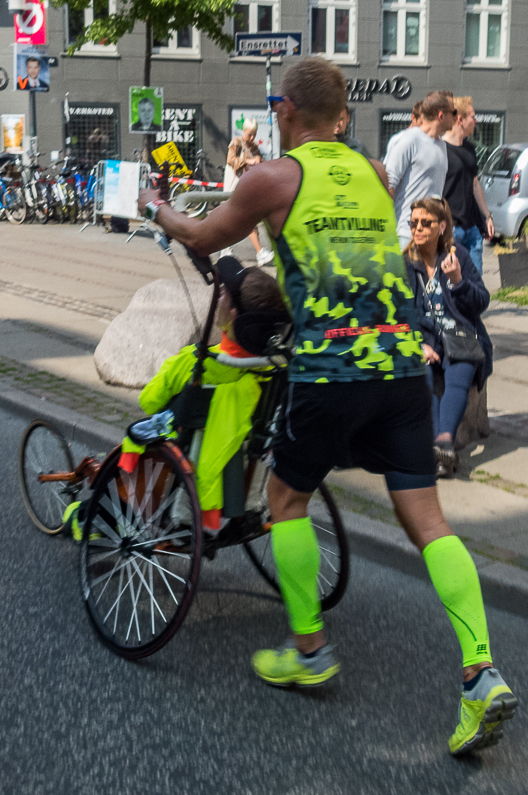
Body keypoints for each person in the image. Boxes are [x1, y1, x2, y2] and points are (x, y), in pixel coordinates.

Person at [137, 56, 517, 755]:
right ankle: (478, 671)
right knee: (427, 520)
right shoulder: (375, 173)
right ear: (340, 114)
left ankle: (308, 648)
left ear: (283, 111)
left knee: (284, 499)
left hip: (328, 371)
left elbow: (200, 236)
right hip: (401, 368)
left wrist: (153, 206)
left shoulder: (273, 178)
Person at [65, 259, 289, 540]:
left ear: (233, 314)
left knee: (143, 441)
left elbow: (150, 400)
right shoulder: (270, 370)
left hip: (179, 472)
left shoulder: (196, 363)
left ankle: (93, 517)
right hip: (241, 474)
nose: (217, 297)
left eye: (223, 295)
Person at [403, 197, 491, 478]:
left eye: (425, 223)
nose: (418, 229)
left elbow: (481, 302)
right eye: (413, 223)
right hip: (425, 340)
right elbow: (398, 312)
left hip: (460, 335)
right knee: (423, 382)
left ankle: (442, 444)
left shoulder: (459, 256)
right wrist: (418, 343)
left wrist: (457, 281)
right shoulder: (405, 264)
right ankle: (444, 450)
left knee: (458, 379)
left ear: (441, 226)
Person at [384, 91, 455, 247]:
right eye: (454, 112)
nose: (457, 117)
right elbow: (387, 183)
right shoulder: (409, 140)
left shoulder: (441, 145)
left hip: (433, 234)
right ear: (441, 115)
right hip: (407, 234)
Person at [443, 97, 494, 275]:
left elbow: (474, 183)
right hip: (450, 228)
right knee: (450, 284)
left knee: (475, 282)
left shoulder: (470, 148)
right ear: (460, 119)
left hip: (472, 228)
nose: (476, 120)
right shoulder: (439, 149)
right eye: (472, 116)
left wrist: (487, 216)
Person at [223, 120, 272, 266]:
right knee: (244, 220)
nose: (252, 138)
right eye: (250, 134)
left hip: (244, 188)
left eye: (254, 135)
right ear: (244, 131)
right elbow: (230, 160)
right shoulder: (236, 142)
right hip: (233, 187)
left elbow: (261, 161)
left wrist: (260, 160)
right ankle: (259, 253)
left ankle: (226, 250)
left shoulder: (254, 146)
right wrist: (249, 161)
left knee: (242, 220)